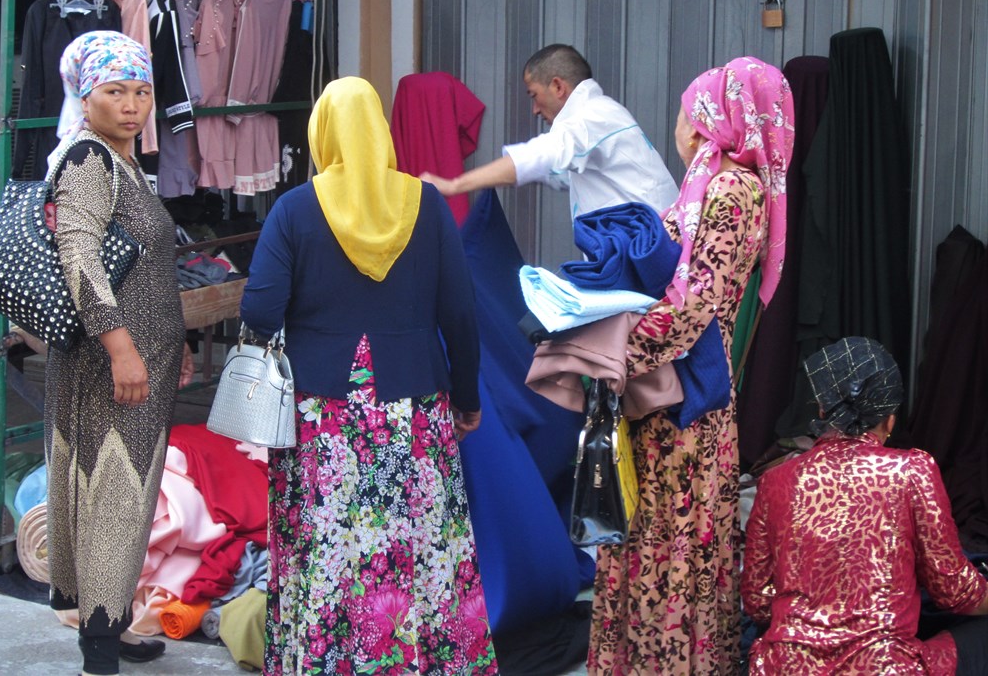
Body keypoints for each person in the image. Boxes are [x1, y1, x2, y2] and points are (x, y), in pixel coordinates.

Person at [239, 76, 498, 675]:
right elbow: (459, 312)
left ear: (322, 132)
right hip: (413, 409)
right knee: (417, 541)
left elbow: (258, 310)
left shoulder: (296, 209)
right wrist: (466, 398)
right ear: (380, 130)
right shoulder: (425, 204)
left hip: (321, 411)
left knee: (328, 547)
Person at [587, 57, 795, 675]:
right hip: (668, 395)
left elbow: (694, 306)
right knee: (655, 539)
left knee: (670, 544)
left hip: (684, 406)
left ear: (712, 119)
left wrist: (609, 351)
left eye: (686, 111)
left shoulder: (733, 191)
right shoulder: (708, 186)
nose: (678, 125)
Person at [43, 31, 184, 675]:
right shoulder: (88, 162)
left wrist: (167, 346)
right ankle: (98, 645)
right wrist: (122, 346)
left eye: (142, 91)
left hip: (144, 360)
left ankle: (112, 618)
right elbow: (79, 257)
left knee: (131, 493)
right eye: (115, 92)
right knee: (114, 494)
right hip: (110, 367)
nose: (132, 105)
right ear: (84, 95)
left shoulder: (123, 160)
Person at [742, 336, 988, 675]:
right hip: (882, 666)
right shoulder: (912, 471)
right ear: (889, 420)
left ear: (822, 410)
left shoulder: (776, 480)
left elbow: (757, 601)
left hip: (786, 667)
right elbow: (956, 591)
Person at [423, 44, 678, 220]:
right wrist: (514, 175)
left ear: (557, 86)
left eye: (534, 95)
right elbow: (558, 172)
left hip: (650, 257)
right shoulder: (600, 116)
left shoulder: (592, 116)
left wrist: (455, 185)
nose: (534, 109)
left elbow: (542, 154)